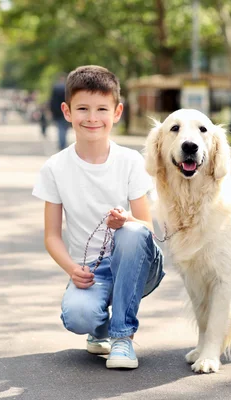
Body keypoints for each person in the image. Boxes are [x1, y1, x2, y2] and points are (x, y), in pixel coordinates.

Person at [32, 65, 165, 370]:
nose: (92, 117)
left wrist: (126, 220)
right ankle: (100, 327)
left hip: (136, 264)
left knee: (131, 233)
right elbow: (51, 235)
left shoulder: (130, 162)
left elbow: (146, 228)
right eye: (83, 109)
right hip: (89, 269)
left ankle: (122, 338)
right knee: (78, 316)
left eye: (102, 109)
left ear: (116, 112)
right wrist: (71, 269)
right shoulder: (55, 168)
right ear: (66, 111)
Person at [50, 74, 69, 150]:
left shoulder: (55, 88)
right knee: (65, 128)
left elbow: (52, 101)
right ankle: (63, 143)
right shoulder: (67, 88)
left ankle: (62, 144)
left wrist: (52, 110)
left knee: (60, 128)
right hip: (67, 111)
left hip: (57, 111)